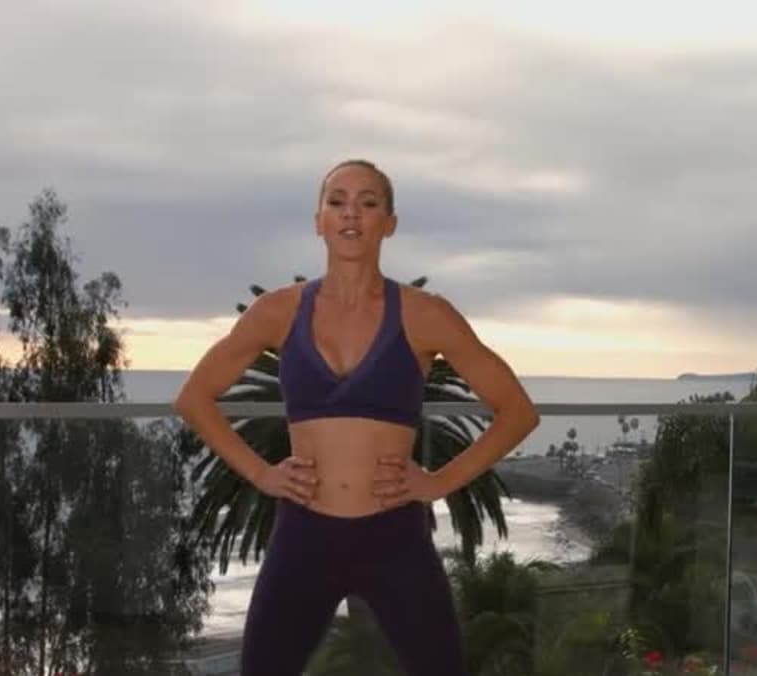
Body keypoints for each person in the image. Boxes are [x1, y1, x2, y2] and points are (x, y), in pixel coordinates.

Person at [175, 159, 540, 675]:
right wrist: (261, 473)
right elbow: (195, 398)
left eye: (368, 203)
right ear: (318, 220)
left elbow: (517, 412)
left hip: (395, 539)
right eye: (337, 201)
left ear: (389, 223)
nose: (351, 213)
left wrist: (439, 482)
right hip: (303, 538)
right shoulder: (278, 312)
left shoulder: (425, 314)